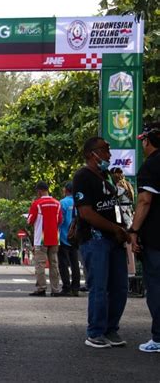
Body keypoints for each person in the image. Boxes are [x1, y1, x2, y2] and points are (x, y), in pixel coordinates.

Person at [72, 137, 130, 349]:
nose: (109, 154)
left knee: (120, 287)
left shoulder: (106, 176)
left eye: (108, 150)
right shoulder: (82, 176)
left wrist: (122, 227)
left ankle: (111, 329)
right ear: (91, 154)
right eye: (104, 150)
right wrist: (113, 228)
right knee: (99, 287)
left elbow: (115, 205)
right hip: (94, 240)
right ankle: (95, 332)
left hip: (114, 240)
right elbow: (86, 213)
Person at [129, 123, 160, 353]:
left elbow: (145, 201)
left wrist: (134, 231)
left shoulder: (150, 167)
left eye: (143, 140)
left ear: (147, 141)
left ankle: (158, 338)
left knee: (156, 286)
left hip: (156, 239)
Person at [27, 181, 62, 297]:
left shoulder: (37, 203)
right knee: (54, 264)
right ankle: (55, 289)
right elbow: (60, 220)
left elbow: (30, 220)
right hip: (55, 238)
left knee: (40, 264)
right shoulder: (57, 203)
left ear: (39, 191)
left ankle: (41, 288)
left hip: (41, 239)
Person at [58, 181, 80, 296]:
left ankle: (66, 287)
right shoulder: (79, 202)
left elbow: (59, 220)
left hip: (64, 237)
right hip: (76, 238)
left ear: (66, 190)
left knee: (63, 264)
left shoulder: (62, 203)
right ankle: (75, 287)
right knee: (75, 263)